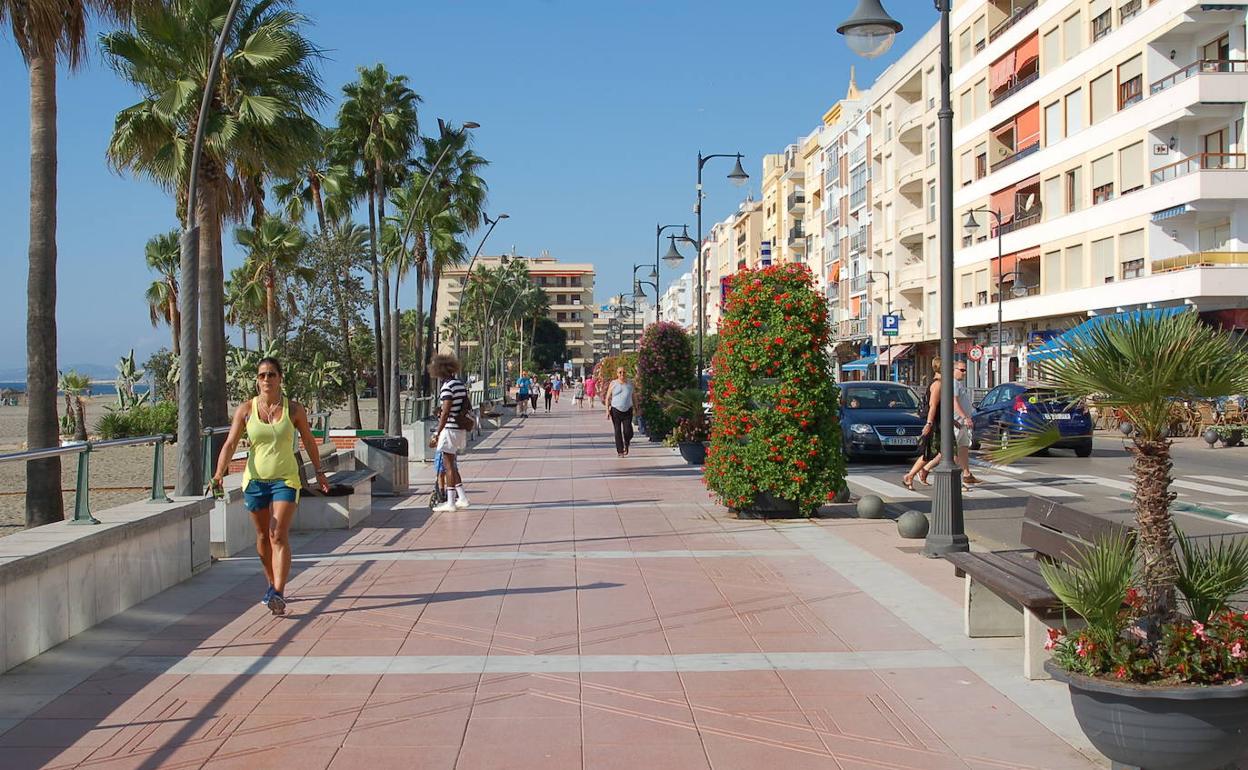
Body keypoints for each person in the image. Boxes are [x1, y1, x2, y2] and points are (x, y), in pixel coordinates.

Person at [213, 357, 329, 616]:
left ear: (280, 378)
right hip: (254, 481)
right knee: (263, 536)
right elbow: (231, 443)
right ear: (257, 380)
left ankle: (278, 591)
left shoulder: (294, 409)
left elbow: (309, 441)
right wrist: (219, 473)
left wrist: (319, 472)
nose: (267, 379)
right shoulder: (246, 410)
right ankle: (270, 583)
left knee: (278, 534)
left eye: (272, 374)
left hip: (285, 480)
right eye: (262, 375)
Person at [429, 354, 471, 513]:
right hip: (459, 428)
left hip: (450, 429)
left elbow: (445, 413)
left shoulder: (447, 387)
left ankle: (451, 502)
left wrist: (437, 433)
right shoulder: (460, 384)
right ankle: (462, 498)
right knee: (452, 465)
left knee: (448, 466)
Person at [903, 358, 942, 491]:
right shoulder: (937, 385)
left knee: (938, 452)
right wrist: (929, 423)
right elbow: (933, 405)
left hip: (940, 422)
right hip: (937, 423)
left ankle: (914, 474)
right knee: (933, 452)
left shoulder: (940, 383)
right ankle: (913, 474)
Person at [605, 366, 635, 456]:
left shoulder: (630, 383)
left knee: (627, 431)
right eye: (620, 372)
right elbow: (607, 397)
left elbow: (634, 396)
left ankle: (627, 443)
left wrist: (637, 408)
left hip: (628, 410)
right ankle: (620, 451)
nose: (622, 374)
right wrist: (607, 410)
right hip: (615, 410)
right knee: (617, 430)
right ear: (617, 374)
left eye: (623, 372)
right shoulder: (613, 383)